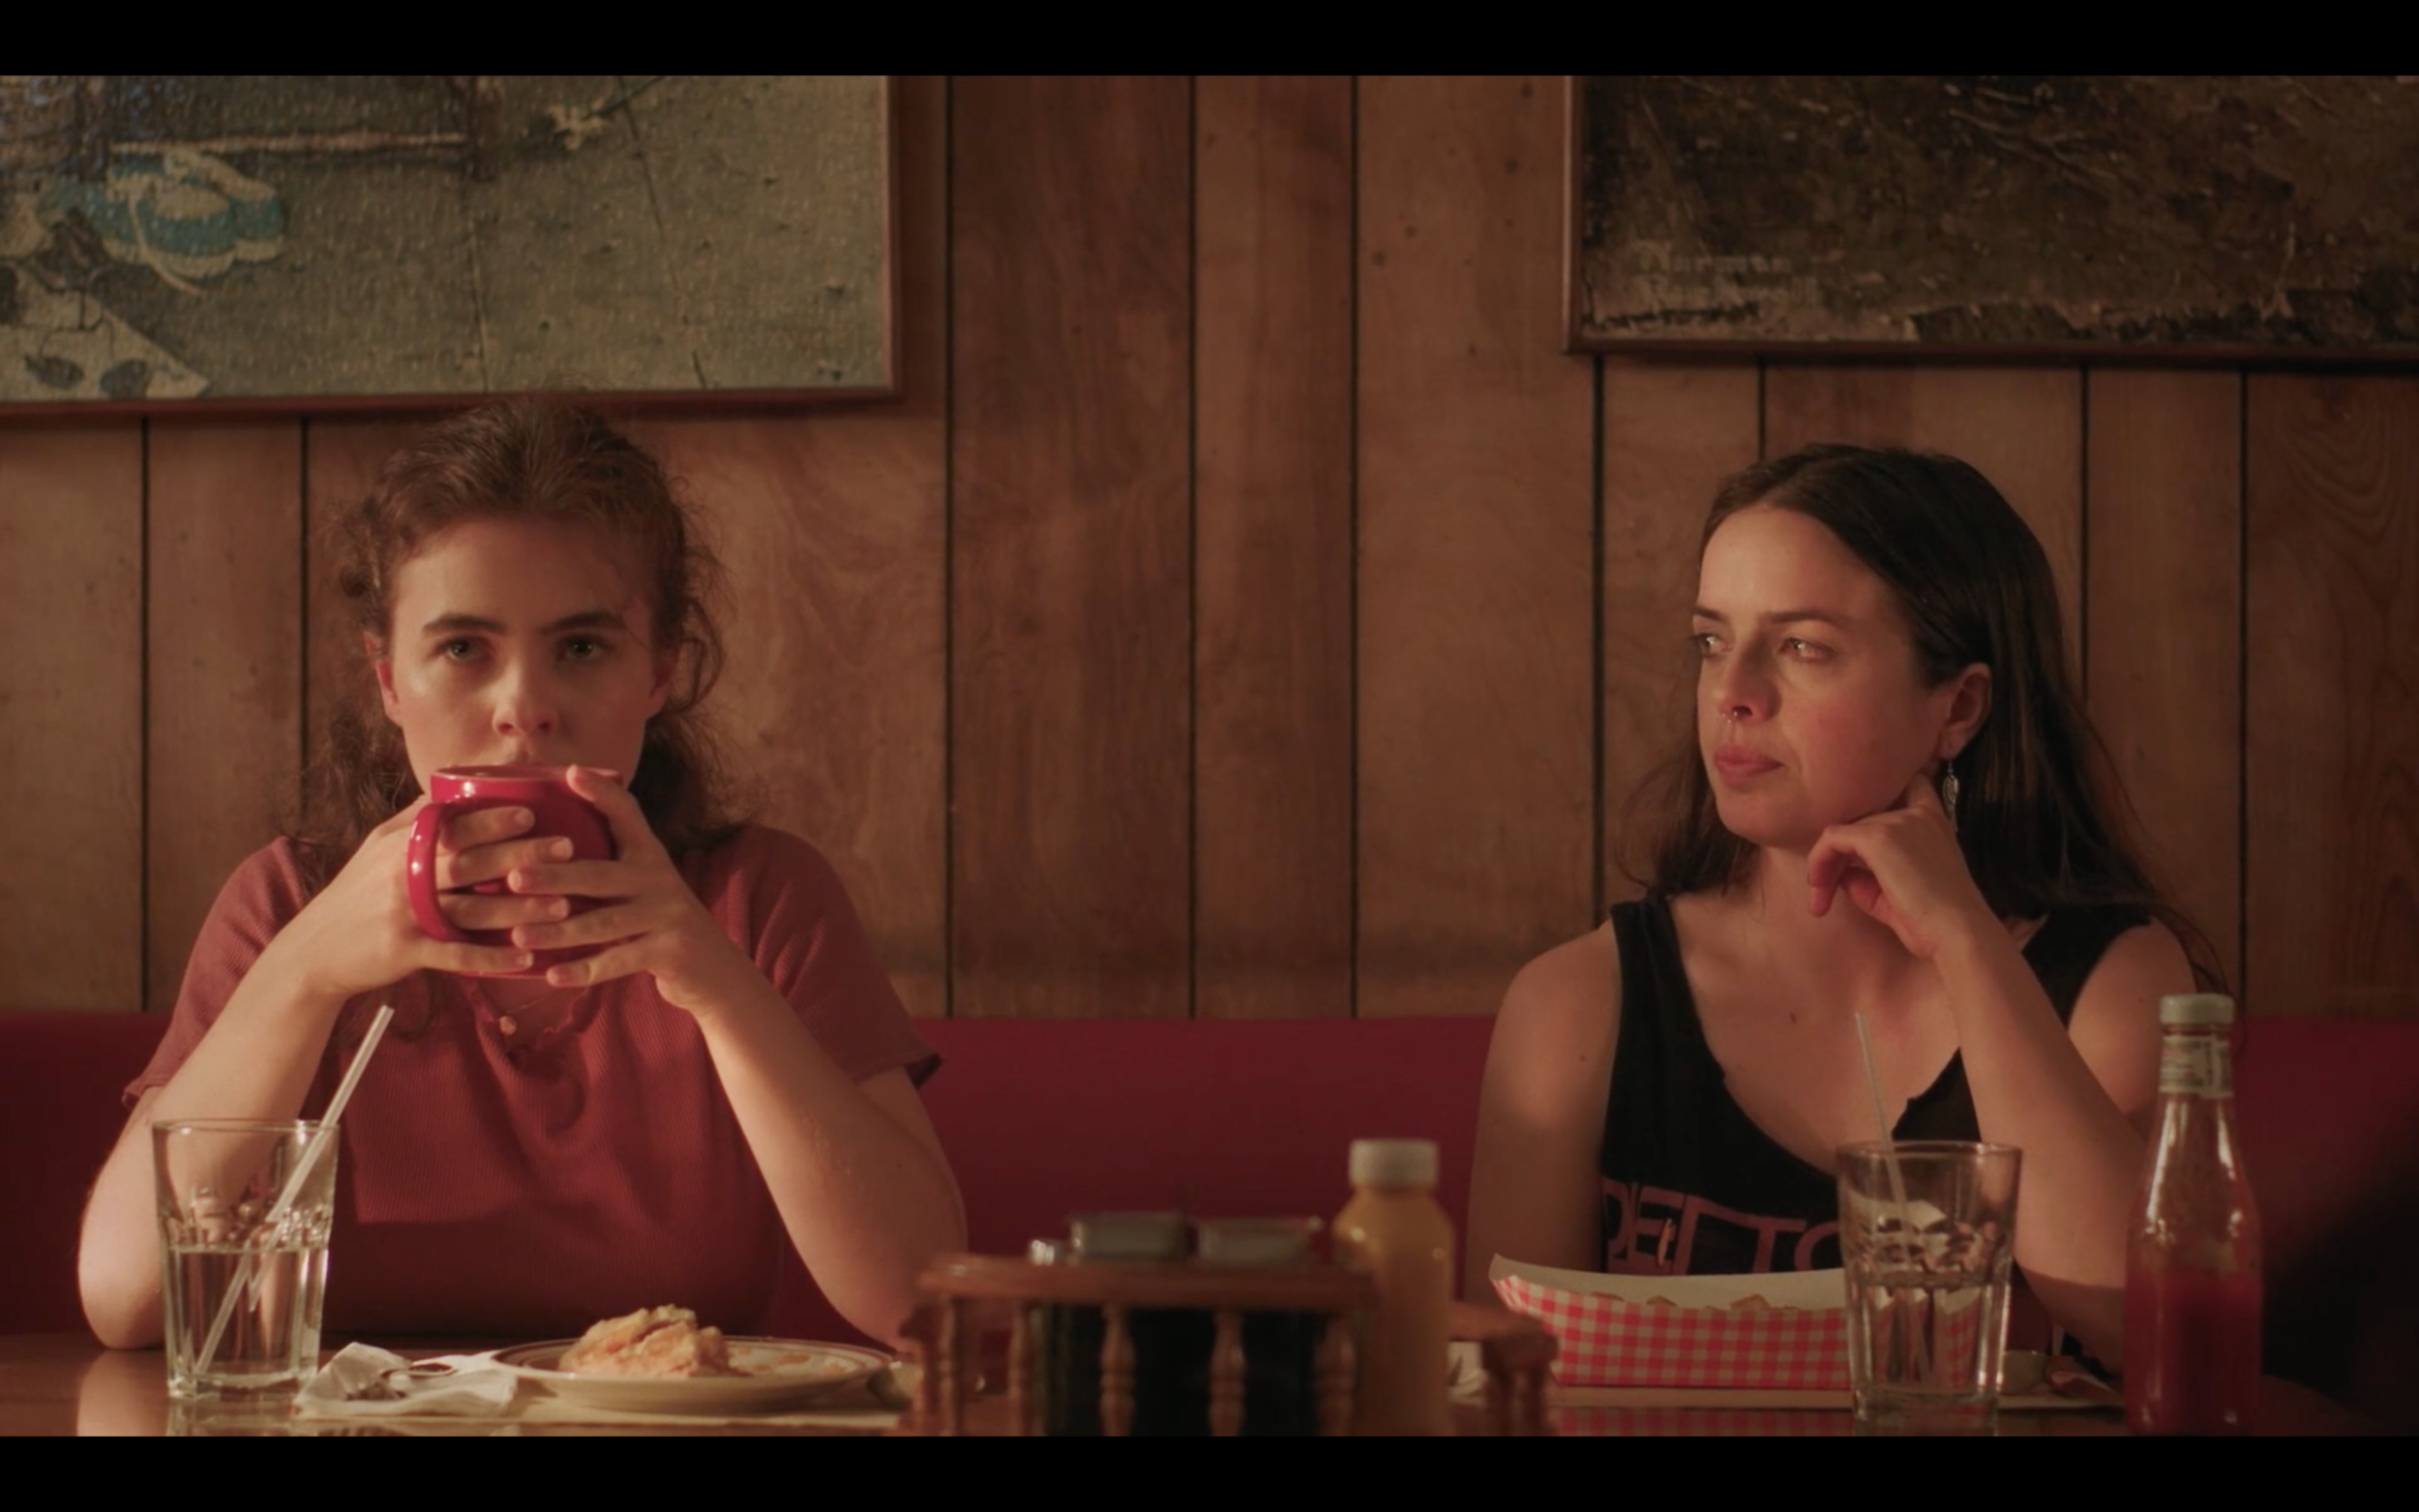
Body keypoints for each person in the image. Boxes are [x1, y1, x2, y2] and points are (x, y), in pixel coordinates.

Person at [78, 401, 964, 1349]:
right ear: (389, 680)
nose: (524, 707)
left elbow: (920, 1305)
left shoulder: (761, 900)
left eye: (580, 648)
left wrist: (715, 982)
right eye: (464, 649)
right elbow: (124, 1297)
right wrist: (305, 972)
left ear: (657, 674)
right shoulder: (287, 902)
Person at [1465, 444, 2217, 1365]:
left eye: (1802, 647)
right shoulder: (1581, 1002)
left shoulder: (2112, 979)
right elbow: (1496, 1388)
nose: (1732, 693)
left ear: (1958, 709)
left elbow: (2160, 1338)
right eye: (1712, 642)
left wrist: (1968, 944)